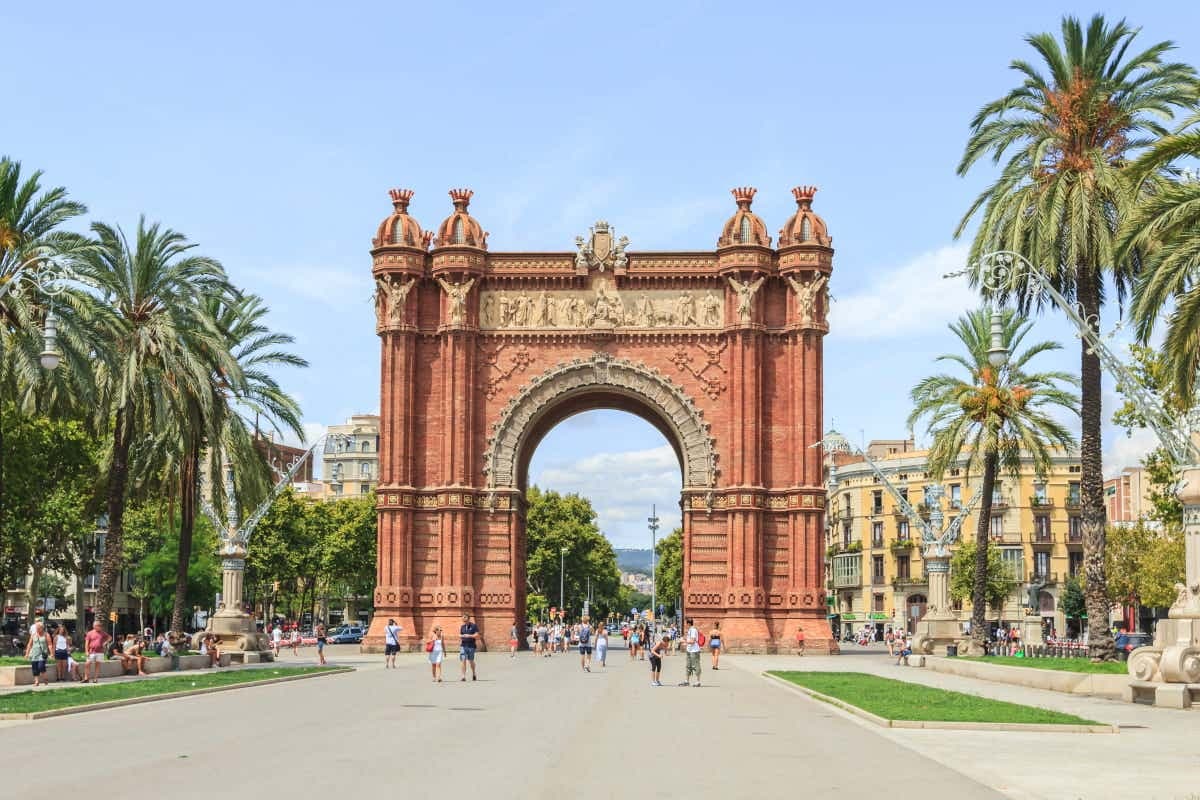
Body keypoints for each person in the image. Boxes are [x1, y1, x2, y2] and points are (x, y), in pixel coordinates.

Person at [25, 621, 51, 687]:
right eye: (36, 628)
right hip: (34, 654)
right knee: (35, 668)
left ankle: (45, 678)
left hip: (42, 654)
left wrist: (51, 653)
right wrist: (27, 653)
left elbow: (50, 645)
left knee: (41, 666)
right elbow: (29, 645)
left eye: (38, 628)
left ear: (42, 628)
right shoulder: (33, 635)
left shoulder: (46, 635)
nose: (37, 629)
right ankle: (36, 681)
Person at [680, 617, 701, 687]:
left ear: (688, 623)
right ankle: (687, 681)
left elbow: (692, 641)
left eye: (686, 623)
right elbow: (689, 640)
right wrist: (684, 639)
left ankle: (698, 681)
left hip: (694, 651)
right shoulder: (690, 630)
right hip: (689, 650)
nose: (685, 625)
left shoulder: (693, 630)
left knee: (696, 666)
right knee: (688, 666)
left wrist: (684, 642)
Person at [459, 613, 479, 681]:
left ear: (468, 618)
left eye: (464, 617)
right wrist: (461, 636)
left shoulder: (473, 626)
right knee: (463, 660)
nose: (463, 619)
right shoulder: (462, 627)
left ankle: (474, 673)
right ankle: (463, 676)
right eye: (462, 618)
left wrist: (469, 636)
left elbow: (477, 635)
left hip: (471, 646)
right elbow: (461, 634)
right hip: (463, 645)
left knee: (471, 661)